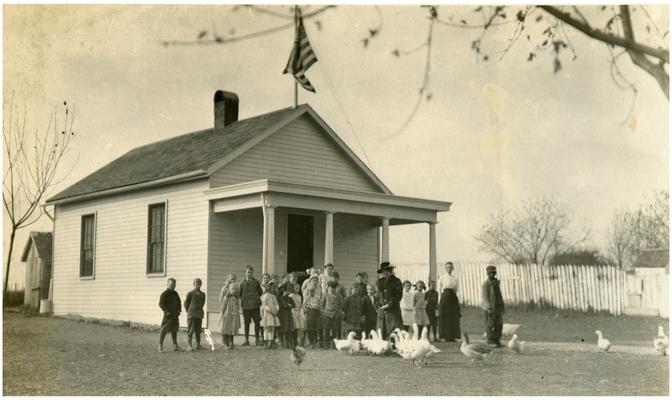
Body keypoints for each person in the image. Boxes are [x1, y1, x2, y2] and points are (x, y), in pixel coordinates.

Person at [375, 262, 403, 339]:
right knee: (381, 329)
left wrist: (389, 304)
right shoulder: (380, 281)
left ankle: (394, 345)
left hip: (392, 309)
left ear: (390, 271)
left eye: (386, 271)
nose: (384, 273)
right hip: (381, 309)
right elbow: (378, 295)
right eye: (383, 271)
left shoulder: (396, 281)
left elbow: (398, 295)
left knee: (393, 328)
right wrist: (377, 306)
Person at [482, 265, 505, 347]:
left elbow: (499, 295)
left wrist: (502, 306)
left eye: (493, 272)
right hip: (490, 308)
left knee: (499, 324)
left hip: (498, 307)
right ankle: (490, 341)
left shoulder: (496, 283)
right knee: (490, 325)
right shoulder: (486, 284)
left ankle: (497, 340)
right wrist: (489, 308)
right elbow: (485, 297)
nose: (492, 274)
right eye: (490, 273)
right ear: (488, 274)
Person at [239, 265, 263, 346]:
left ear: (253, 273)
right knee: (246, 323)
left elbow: (260, 292)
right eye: (248, 272)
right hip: (246, 306)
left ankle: (257, 339)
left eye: (251, 272)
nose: (249, 274)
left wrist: (255, 299)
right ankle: (246, 340)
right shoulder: (242, 283)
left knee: (257, 322)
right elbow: (240, 294)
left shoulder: (256, 282)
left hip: (255, 306)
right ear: (245, 273)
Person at [438, 261, 461, 342]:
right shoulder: (442, 277)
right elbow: (439, 289)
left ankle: (452, 336)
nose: (449, 269)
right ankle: (445, 336)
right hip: (445, 297)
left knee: (453, 317)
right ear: (445, 268)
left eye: (450, 267)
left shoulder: (455, 278)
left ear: (453, 268)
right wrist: (440, 300)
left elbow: (456, 289)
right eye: (447, 267)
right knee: (445, 317)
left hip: (453, 297)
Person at [158, 277, 182, 352]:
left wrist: (179, 310)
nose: (173, 286)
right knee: (164, 330)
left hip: (175, 315)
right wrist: (167, 311)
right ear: (167, 284)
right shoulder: (164, 294)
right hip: (168, 315)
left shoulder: (175, 293)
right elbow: (161, 304)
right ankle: (160, 346)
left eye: (174, 284)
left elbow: (179, 302)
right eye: (171, 284)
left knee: (174, 330)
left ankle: (175, 345)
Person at [321, 275, 345, 348]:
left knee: (335, 329)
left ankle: (335, 344)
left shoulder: (339, 296)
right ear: (328, 288)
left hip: (335, 314)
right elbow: (321, 304)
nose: (332, 289)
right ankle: (326, 344)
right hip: (327, 314)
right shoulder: (326, 295)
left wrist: (339, 312)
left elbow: (341, 305)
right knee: (326, 329)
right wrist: (324, 312)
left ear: (335, 288)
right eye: (330, 288)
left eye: (333, 288)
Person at [184, 278, 206, 351]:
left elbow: (202, 303)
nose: (198, 285)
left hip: (199, 314)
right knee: (190, 330)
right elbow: (186, 304)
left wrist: (199, 312)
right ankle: (189, 345)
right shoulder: (190, 293)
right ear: (194, 284)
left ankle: (198, 345)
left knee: (198, 330)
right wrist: (189, 312)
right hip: (192, 314)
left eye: (199, 283)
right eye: (196, 283)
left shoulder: (203, 294)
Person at [220, 283, 241, 350]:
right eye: (232, 289)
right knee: (226, 330)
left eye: (235, 289)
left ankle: (231, 343)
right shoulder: (226, 298)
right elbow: (223, 307)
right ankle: (226, 344)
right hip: (227, 316)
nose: (234, 290)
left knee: (232, 330)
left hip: (234, 316)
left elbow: (238, 307)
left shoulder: (237, 299)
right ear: (229, 289)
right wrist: (222, 314)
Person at [260, 283, 280, 348]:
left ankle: (271, 341)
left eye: (275, 288)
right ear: (269, 288)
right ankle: (266, 342)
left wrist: (276, 310)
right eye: (273, 288)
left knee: (272, 328)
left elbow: (276, 304)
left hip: (273, 315)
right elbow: (264, 305)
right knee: (267, 328)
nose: (274, 289)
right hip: (267, 315)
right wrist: (270, 310)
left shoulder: (274, 296)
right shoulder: (265, 296)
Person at [277, 283, 296, 348]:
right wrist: (289, 305)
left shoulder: (289, 298)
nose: (285, 291)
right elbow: (284, 305)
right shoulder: (281, 298)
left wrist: (289, 305)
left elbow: (294, 305)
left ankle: (288, 342)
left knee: (289, 329)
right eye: (283, 290)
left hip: (288, 314)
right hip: (282, 314)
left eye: (286, 290)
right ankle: (283, 343)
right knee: (283, 328)